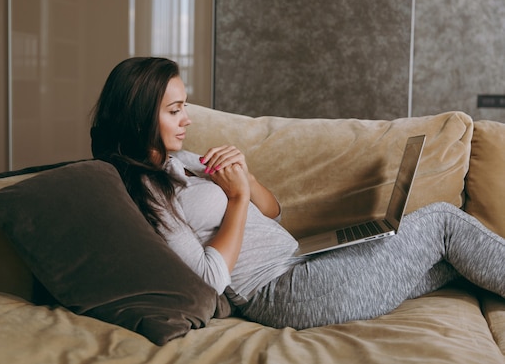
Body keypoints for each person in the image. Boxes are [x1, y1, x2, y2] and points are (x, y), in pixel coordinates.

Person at [90, 56, 505, 330]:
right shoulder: (148, 194)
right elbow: (210, 279)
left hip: (305, 263)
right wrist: (234, 199)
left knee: (454, 263)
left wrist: (246, 180)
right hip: (286, 293)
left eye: (185, 107)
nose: (187, 120)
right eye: (174, 110)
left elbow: (272, 212)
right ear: (141, 115)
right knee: (443, 223)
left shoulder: (182, 161)